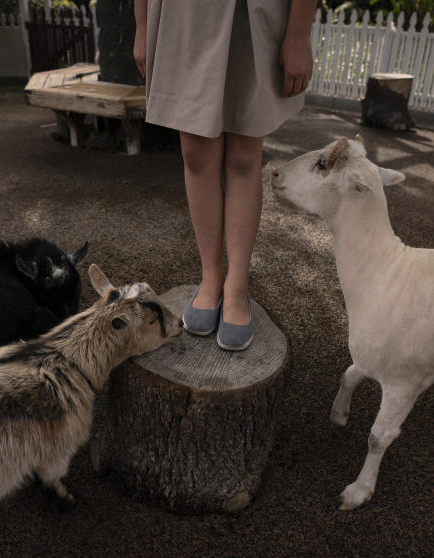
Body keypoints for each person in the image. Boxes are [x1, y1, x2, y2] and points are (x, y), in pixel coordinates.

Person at [133, 0, 317, 350]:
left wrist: (298, 31)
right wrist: (141, 22)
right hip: (181, 12)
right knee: (196, 153)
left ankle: (236, 286)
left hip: (252, 11)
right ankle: (211, 278)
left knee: (245, 156)